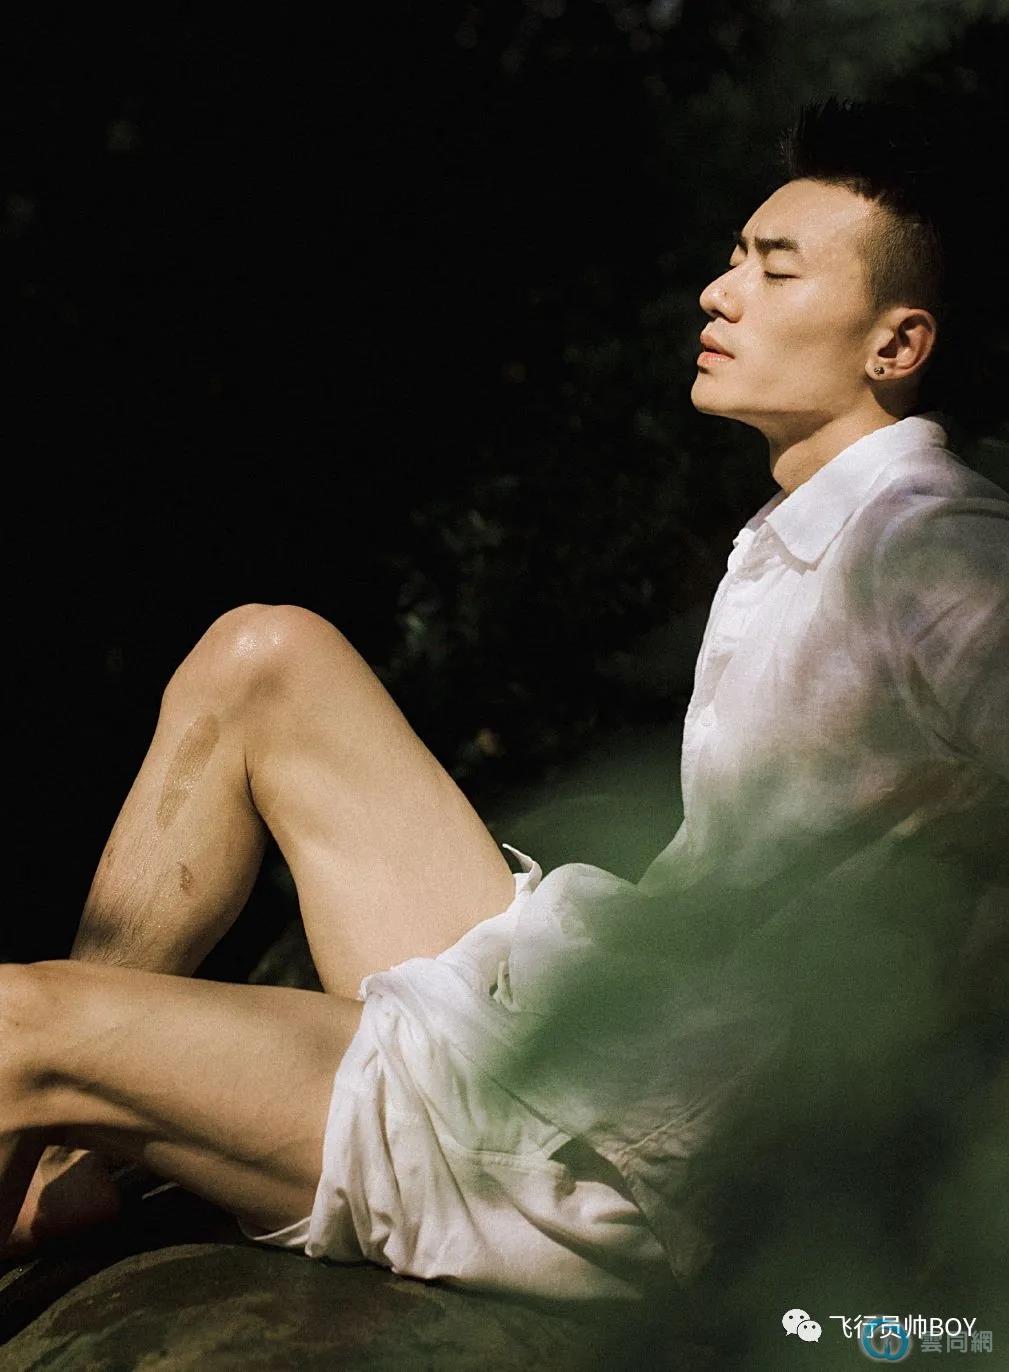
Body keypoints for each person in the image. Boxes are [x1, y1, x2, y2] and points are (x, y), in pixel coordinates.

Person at [2, 95, 1006, 1302]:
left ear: (895, 346)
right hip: (605, 1007)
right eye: (734, 256)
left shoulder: (933, 545)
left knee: (18, 1024)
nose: (717, 293)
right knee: (264, 654)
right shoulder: (815, 524)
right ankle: (63, 1160)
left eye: (773, 270)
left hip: (609, 1146)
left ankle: (60, 1109)